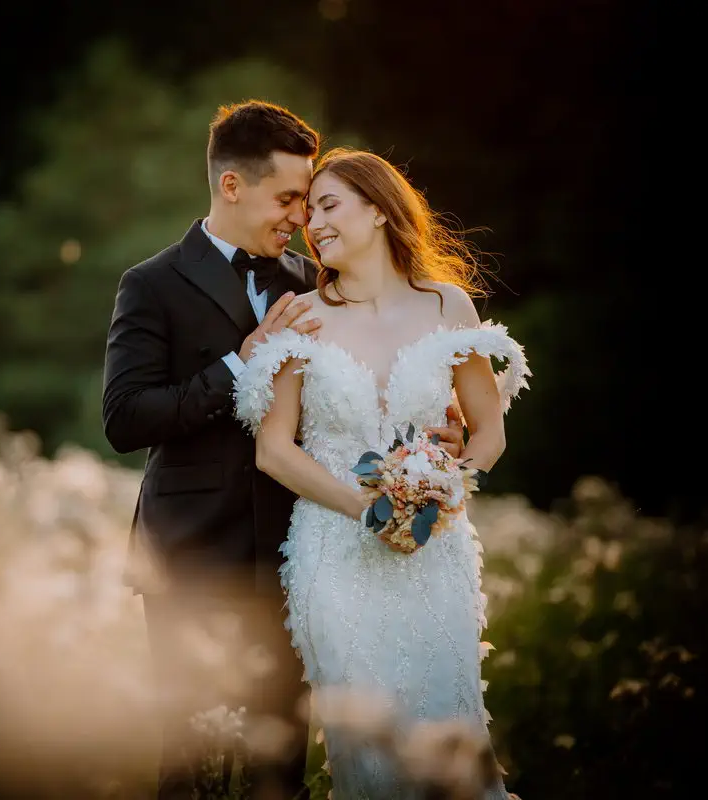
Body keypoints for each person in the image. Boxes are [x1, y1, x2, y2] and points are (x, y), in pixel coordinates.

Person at [102, 103, 466, 799]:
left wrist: (436, 434)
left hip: (297, 557)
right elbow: (123, 419)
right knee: (190, 763)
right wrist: (239, 364)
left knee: (281, 768)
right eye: (289, 198)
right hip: (190, 557)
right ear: (232, 186)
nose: (302, 217)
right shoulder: (151, 283)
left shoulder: (313, 282)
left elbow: (370, 388)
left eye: (308, 201)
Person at [233, 147, 531, 799]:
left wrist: (445, 485)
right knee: (368, 750)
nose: (314, 223)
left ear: (380, 210)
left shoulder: (447, 306)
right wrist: (364, 507)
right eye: (308, 213)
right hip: (335, 557)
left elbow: (489, 432)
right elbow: (273, 450)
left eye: (329, 205)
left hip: (435, 551)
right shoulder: (302, 317)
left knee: (452, 730)